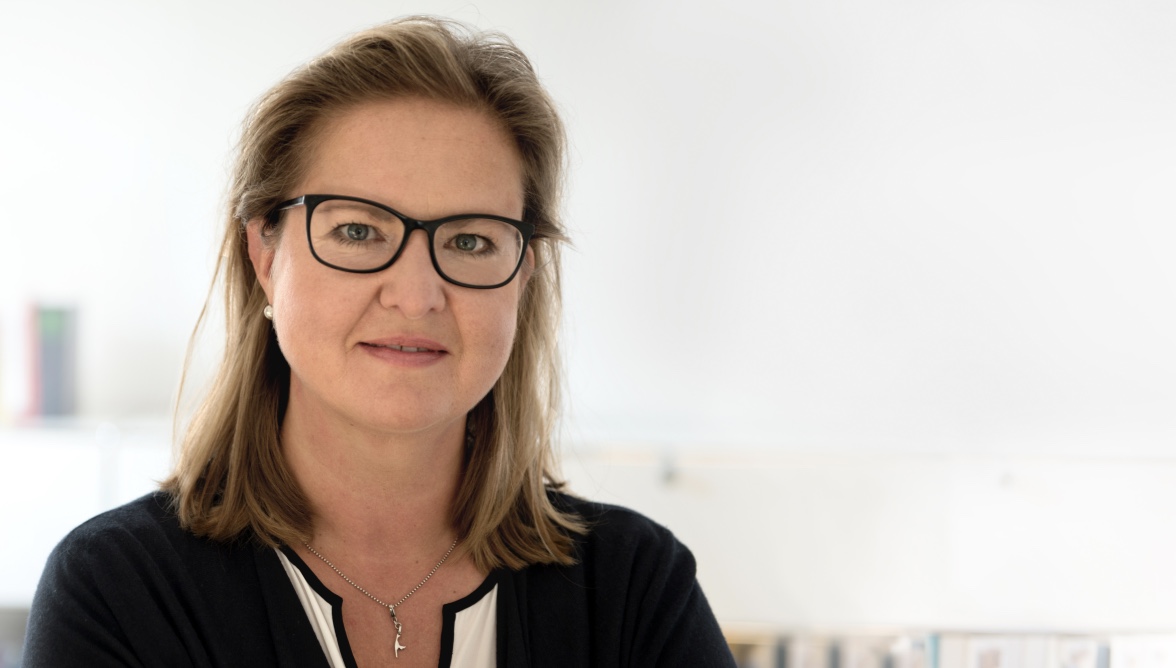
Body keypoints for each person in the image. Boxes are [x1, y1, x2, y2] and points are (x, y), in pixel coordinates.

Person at [23, 16, 736, 668]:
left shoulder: (634, 588)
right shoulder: (119, 591)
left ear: (524, 275)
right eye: (358, 231)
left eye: (469, 241)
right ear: (265, 256)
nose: (417, 294)